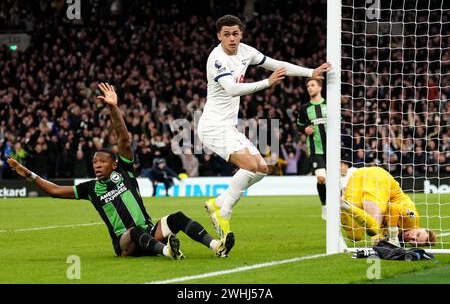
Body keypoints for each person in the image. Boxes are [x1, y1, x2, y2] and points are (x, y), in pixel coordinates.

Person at [7, 83, 234, 259]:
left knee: (177, 218)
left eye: (102, 161)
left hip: (149, 232)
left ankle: (217, 246)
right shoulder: (91, 189)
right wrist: (28, 174)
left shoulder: (125, 171)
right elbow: (55, 191)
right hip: (125, 244)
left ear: (114, 163)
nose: (97, 165)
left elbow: (123, 138)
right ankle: (167, 252)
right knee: (135, 230)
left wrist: (113, 108)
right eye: (95, 162)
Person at [199, 14, 331, 237]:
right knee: (250, 166)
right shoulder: (216, 59)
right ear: (218, 36)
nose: (232, 38)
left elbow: (277, 65)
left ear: (241, 34)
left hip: (228, 127)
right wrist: (267, 83)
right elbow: (231, 89)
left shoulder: (246, 52)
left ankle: (219, 201)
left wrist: (310, 72)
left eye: (235, 33)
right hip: (213, 126)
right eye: (227, 34)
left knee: (262, 169)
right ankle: (225, 211)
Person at [340, 166, 436, 247]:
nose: (412, 237)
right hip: (378, 178)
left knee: (355, 235)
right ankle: (344, 204)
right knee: (374, 228)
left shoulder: (396, 233)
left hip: (358, 176)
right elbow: (392, 208)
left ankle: (342, 204)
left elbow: (380, 235)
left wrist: (380, 241)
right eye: (417, 234)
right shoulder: (412, 220)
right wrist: (393, 235)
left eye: (414, 242)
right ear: (419, 228)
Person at [297, 78, 328, 220]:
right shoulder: (304, 108)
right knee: (321, 178)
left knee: (337, 180)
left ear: (320, 87)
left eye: (312, 85)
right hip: (316, 149)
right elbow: (299, 124)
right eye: (308, 86)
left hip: (333, 148)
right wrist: (305, 129)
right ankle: (325, 205)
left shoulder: (330, 104)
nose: (309, 88)